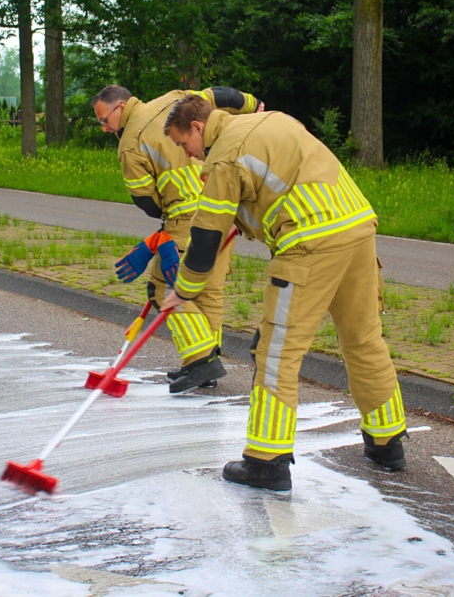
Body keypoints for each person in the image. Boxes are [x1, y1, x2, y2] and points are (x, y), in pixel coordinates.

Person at [159, 94, 406, 490]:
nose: (188, 156)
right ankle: (386, 441)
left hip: (310, 242)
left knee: (276, 352)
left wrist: (183, 290)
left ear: (198, 129)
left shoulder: (223, 156)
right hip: (358, 226)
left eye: (182, 144)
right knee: (363, 338)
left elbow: (205, 238)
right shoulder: (272, 120)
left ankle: (266, 461)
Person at [92, 85, 263, 393]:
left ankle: (200, 361)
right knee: (207, 290)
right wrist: (255, 105)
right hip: (224, 207)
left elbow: (148, 203)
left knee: (163, 288)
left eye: (105, 120)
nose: (105, 128)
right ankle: (206, 365)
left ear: (120, 107)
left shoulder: (130, 146)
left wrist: (168, 224)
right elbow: (221, 95)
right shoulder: (174, 99)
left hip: (187, 220)